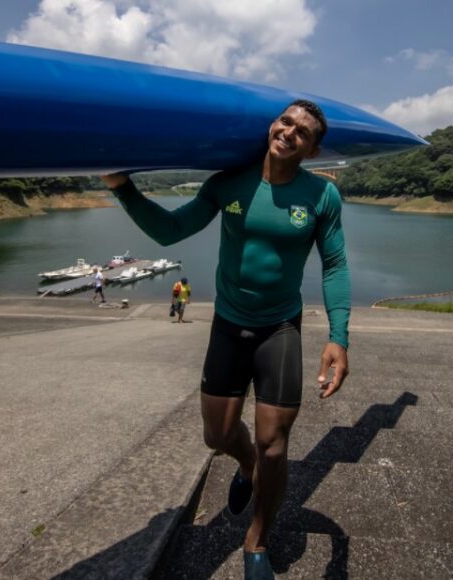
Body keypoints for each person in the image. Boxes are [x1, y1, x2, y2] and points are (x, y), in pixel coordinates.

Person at [101, 99, 349, 579]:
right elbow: (172, 231)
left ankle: (256, 541)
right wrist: (123, 188)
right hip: (229, 323)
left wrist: (339, 335)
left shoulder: (321, 196)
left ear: (313, 150)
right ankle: (246, 464)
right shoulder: (228, 182)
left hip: (279, 327)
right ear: (272, 125)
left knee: (275, 443)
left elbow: (335, 265)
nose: (289, 132)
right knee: (217, 436)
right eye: (285, 122)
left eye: (302, 132)